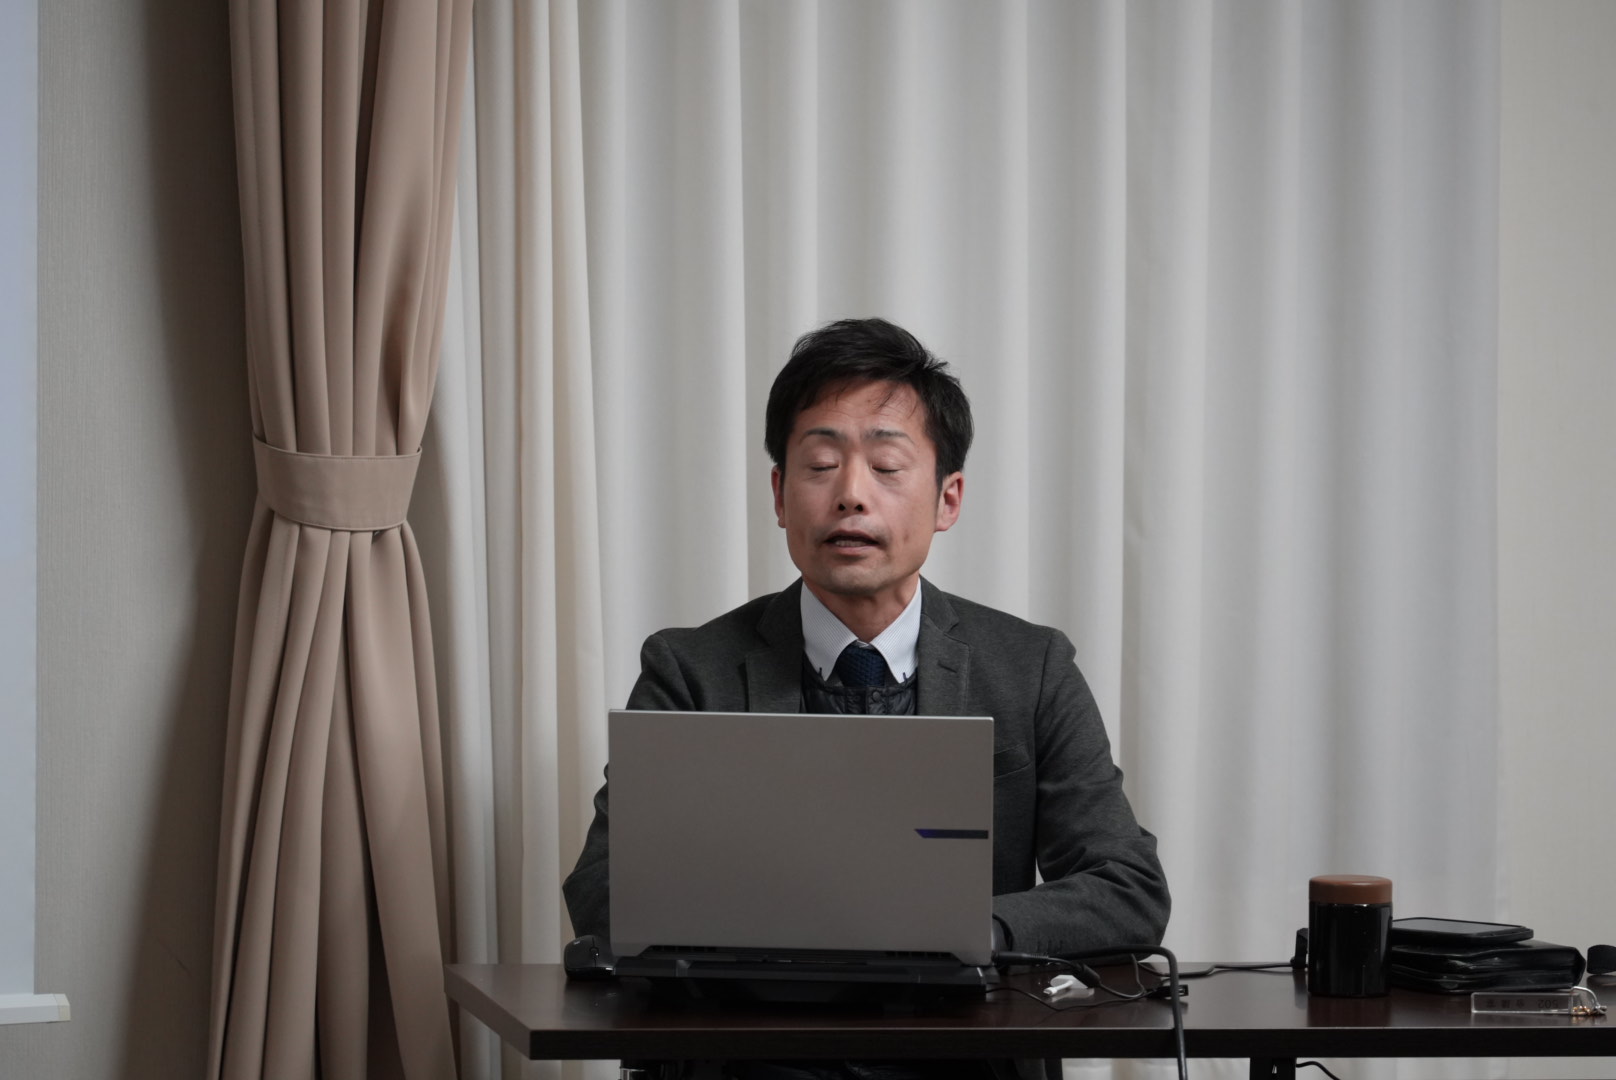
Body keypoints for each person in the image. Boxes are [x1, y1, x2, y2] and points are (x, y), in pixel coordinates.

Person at [563, 317, 1169, 1079]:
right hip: (751, 1062)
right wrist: (808, 935)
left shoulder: (1030, 667)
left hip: (964, 1064)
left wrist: (964, 928)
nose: (851, 494)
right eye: (821, 464)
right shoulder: (689, 669)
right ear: (780, 495)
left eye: (886, 466)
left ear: (948, 499)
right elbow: (603, 887)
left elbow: (1128, 889)